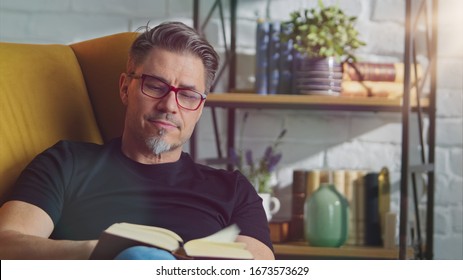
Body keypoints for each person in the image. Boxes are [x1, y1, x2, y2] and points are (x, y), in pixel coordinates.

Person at [0, 22, 274, 260]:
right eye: (155, 85)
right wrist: (101, 254)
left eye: (188, 95)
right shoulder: (66, 163)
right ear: (124, 89)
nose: (169, 105)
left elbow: (261, 267)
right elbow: (7, 245)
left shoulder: (233, 190)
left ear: (200, 108)